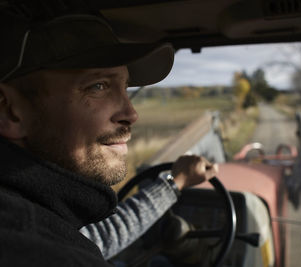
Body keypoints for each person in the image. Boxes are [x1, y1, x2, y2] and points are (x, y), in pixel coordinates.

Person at [0, 10, 217, 266]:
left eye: (125, 88)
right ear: (10, 112)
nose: (131, 114)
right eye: (98, 86)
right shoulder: (35, 249)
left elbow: (97, 238)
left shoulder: (43, 219)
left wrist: (174, 183)